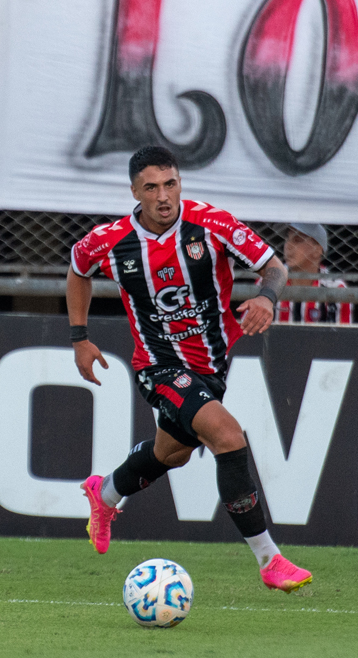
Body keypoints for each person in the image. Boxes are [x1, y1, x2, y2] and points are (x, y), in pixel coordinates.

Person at [67, 145, 312, 593]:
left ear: (180, 183)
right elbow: (78, 269)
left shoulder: (212, 223)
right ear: (135, 192)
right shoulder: (110, 240)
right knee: (227, 434)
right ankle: (269, 559)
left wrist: (266, 297)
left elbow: (273, 267)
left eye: (171, 184)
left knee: (171, 455)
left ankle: (103, 495)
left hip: (210, 368)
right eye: (152, 187)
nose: (164, 196)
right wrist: (79, 338)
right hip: (157, 366)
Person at [274, 223, 353, 324]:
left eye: (297, 240)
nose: (288, 246)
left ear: (317, 250)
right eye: (287, 238)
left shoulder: (336, 289)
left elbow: (343, 337)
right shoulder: (270, 280)